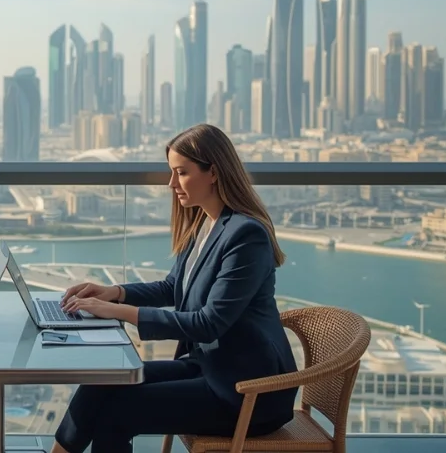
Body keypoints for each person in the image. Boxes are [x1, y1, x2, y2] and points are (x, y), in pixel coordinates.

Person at [52, 123, 298, 453]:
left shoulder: (246, 236)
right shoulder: (205, 223)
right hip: (208, 367)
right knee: (102, 383)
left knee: (117, 412)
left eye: (181, 173)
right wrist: (114, 292)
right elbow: (172, 287)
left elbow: (209, 323)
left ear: (213, 172)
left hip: (246, 391)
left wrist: (117, 312)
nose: (171, 184)